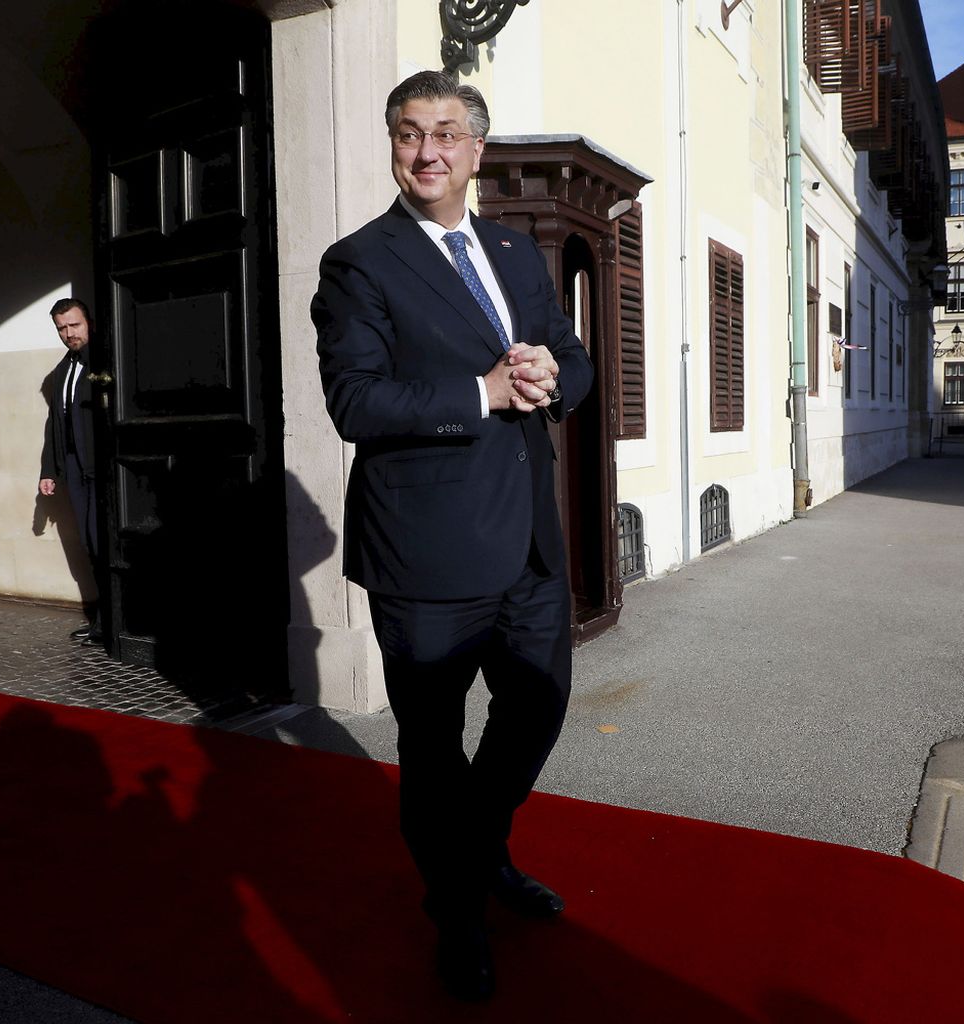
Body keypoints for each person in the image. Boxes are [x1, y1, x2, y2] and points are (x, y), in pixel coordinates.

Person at [311, 70, 594, 1002]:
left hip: (530, 546)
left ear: (476, 149)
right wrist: (484, 392)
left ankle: (475, 852)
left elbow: (574, 356)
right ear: (394, 146)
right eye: (408, 133)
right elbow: (355, 402)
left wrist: (554, 372)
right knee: (433, 746)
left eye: (443, 133)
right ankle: (460, 911)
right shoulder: (360, 263)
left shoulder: (512, 251)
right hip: (425, 551)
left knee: (537, 709)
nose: (425, 151)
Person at [39, 298, 102, 644]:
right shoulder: (63, 370)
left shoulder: (105, 360)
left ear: (88, 322)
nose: (69, 333)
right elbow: (55, 424)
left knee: (102, 542)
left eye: (74, 325)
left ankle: (120, 621)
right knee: (89, 544)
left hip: (102, 469)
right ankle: (103, 622)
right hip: (75, 470)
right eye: (61, 328)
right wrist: (49, 470)